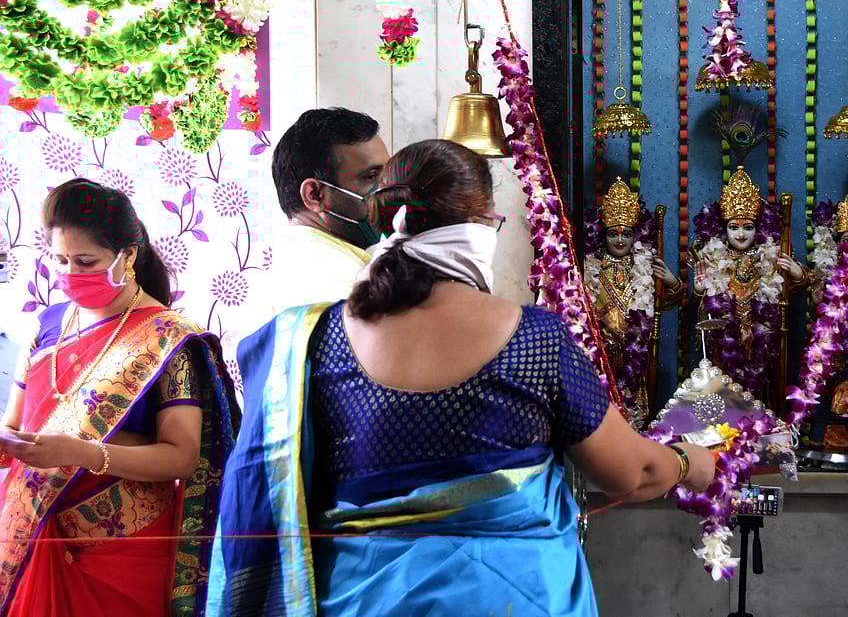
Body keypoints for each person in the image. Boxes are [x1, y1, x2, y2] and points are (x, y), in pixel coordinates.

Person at [207, 139, 715, 616]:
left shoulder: (314, 341)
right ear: (480, 224)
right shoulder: (533, 339)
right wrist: (690, 462)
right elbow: (630, 473)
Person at [0, 179, 241, 616]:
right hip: (34, 535)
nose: (70, 274)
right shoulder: (46, 325)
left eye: (85, 262)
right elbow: (14, 426)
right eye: (60, 260)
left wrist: (81, 452)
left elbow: (182, 458)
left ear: (127, 256)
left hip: (126, 552)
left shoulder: (169, 340)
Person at [267, 107, 391, 315]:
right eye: (370, 177)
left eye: (389, 173)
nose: (389, 188)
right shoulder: (336, 280)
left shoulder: (299, 257)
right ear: (314, 195)